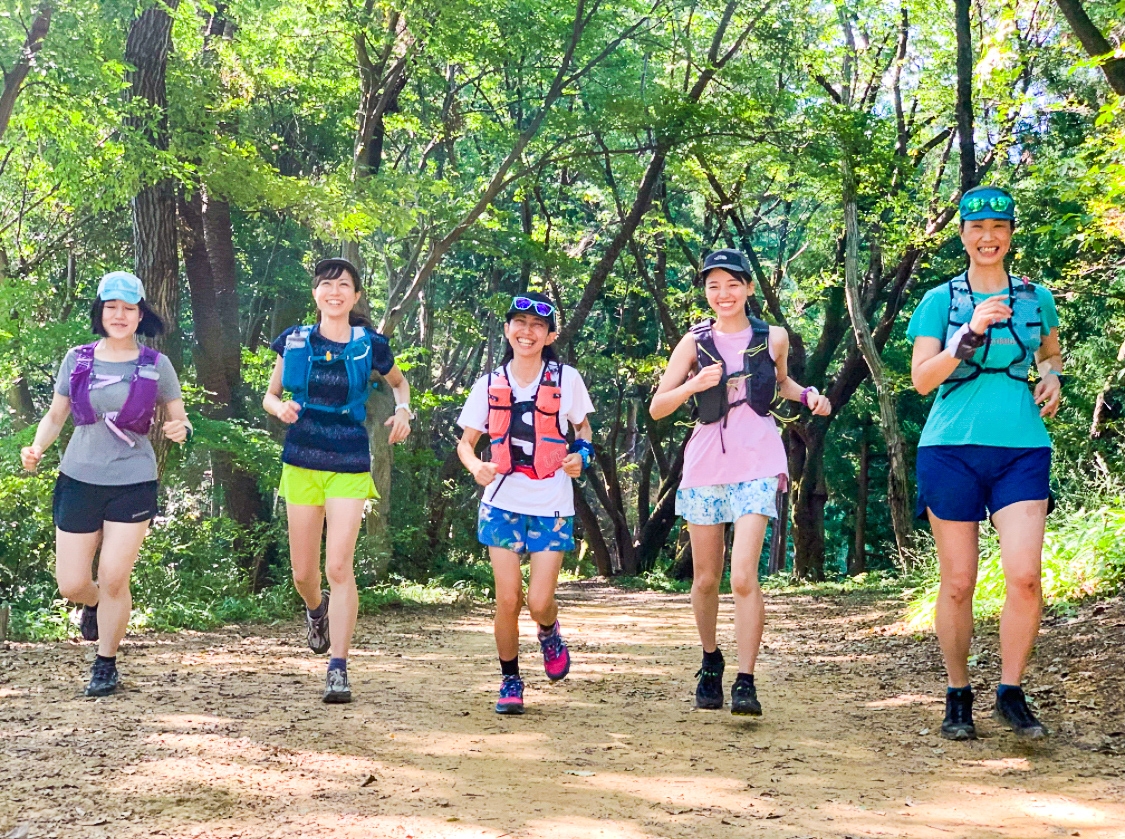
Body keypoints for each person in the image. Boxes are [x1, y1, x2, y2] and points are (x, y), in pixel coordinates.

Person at [908, 186, 1062, 741]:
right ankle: (958, 694)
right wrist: (969, 331)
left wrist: (1052, 376)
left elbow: (1049, 351)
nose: (988, 237)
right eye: (977, 228)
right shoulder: (940, 300)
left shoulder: (1035, 297)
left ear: (1011, 234)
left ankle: (1011, 692)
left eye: (999, 227)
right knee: (958, 582)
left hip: (1022, 448)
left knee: (1025, 577)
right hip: (950, 448)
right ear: (963, 235)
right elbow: (922, 379)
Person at [649, 249, 831, 716]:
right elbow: (658, 407)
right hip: (705, 464)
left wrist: (810, 396)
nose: (723, 293)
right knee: (706, 578)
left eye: (732, 284)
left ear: (749, 288)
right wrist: (693, 385)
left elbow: (783, 383)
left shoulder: (774, 337)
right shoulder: (693, 342)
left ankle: (746, 680)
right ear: (705, 292)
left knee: (743, 574)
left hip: (758, 459)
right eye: (713, 285)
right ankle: (711, 660)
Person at [20, 271, 190, 697]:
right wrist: (37, 447)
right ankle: (94, 604)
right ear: (100, 312)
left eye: (128, 309)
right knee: (72, 584)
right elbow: (55, 416)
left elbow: (180, 417)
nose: (119, 315)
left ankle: (105, 663)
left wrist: (180, 430)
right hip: (79, 478)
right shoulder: (77, 360)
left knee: (114, 576)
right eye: (111, 307)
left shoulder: (156, 365)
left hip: (133, 480)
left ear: (140, 315)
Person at [263, 257, 412, 704]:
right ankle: (316, 610)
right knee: (304, 574)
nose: (334, 291)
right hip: (301, 460)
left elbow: (400, 385)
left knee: (338, 568)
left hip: (349, 459)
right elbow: (271, 395)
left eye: (344, 285)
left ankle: (338, 668)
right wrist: (280, 409)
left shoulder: (371, 344)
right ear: (315, 294)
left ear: (356, 295)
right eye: (326, 285)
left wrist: (404, 411)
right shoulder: (294, 341)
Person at [456, 291, 595, 715]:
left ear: (549, 335)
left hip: (552, 502)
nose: (527, 332)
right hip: (501, 502)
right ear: (507, 330)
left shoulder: (566, 379)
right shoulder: (489, 384)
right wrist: (475, 467)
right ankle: (510, 680)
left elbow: (584, 431)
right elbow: (466, 443)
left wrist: (581, 456)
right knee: (507, 598)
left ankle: (549, 630)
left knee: (537, 602)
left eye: (538, 326)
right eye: (519, 323)